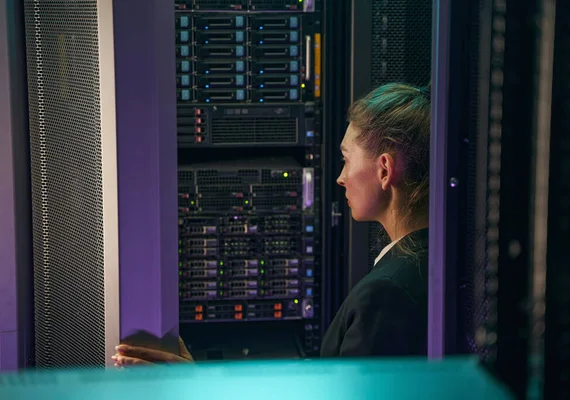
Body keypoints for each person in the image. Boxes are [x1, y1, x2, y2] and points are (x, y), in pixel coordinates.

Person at [113, 82, 431, 366]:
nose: (340, 177)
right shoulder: (428, 261)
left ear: (385, 170)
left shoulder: (387, 292)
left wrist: (194, 389)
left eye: (346, 159)